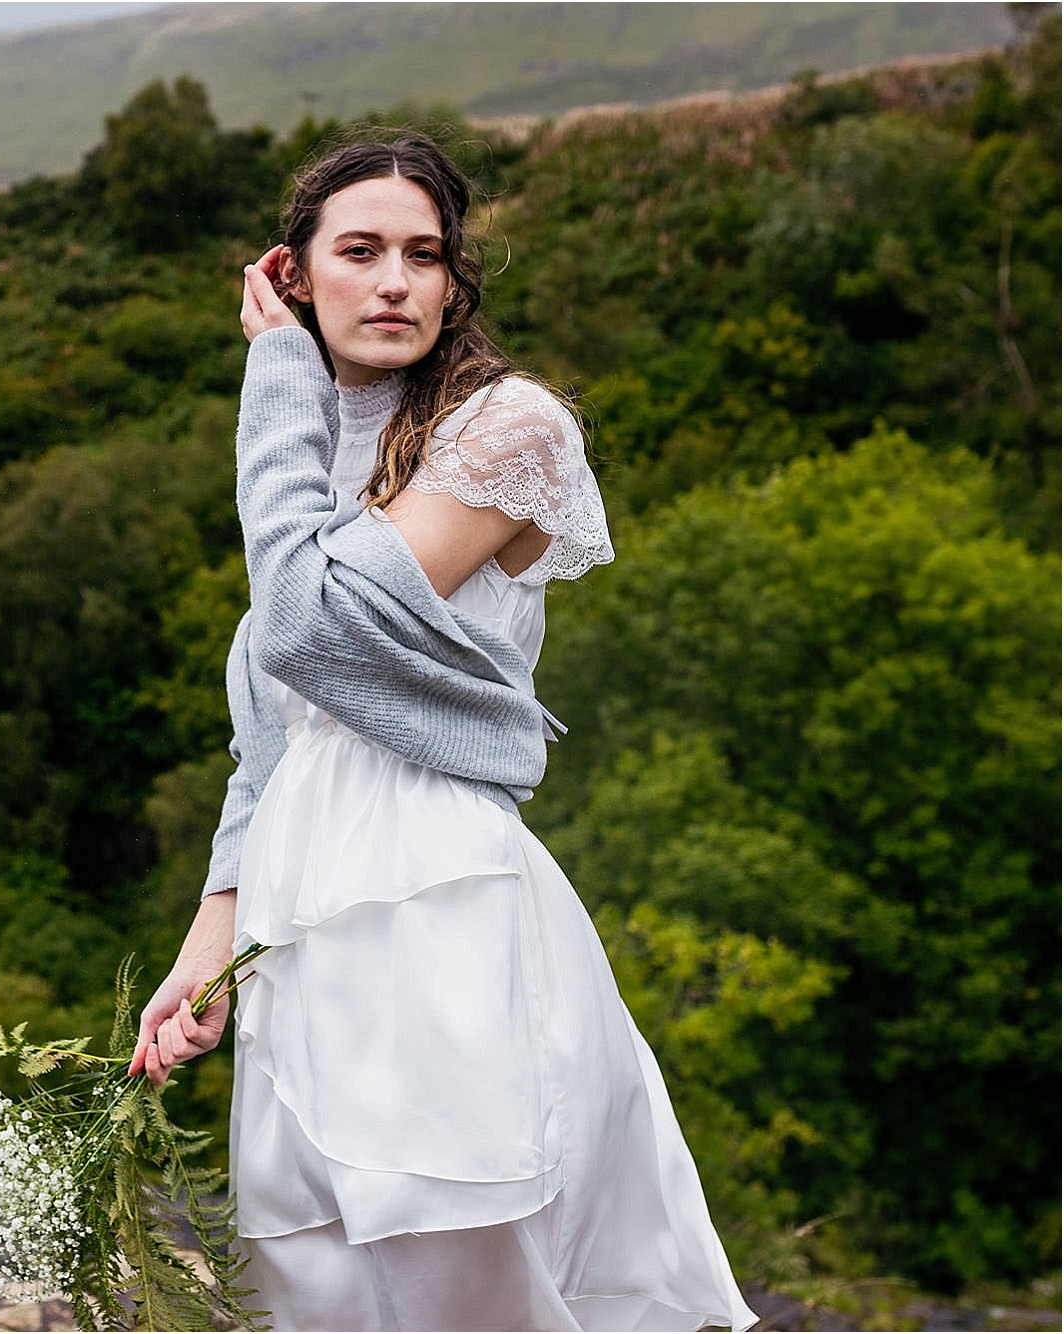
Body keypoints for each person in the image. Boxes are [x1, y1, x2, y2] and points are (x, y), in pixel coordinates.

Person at [124, 136, 760, 1332]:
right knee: (314, 1274)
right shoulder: (311, 449)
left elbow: (304, 627)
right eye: (356, 252)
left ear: (456, 283)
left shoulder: (506, 428)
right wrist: (206, 944)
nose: (393, 281)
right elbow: (275, 733)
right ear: (294, 271)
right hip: (298, 917)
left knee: (452, 1267)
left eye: (423, 255)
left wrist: (270, 374)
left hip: (432, 890)